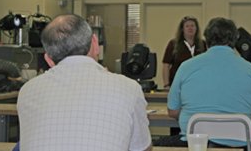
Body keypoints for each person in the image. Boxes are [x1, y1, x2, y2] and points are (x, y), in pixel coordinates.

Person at [16, 14, 152, 151]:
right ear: (95, 43)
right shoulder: (128, 88)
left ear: (49, 60)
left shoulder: (27, 90)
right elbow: (142, 148)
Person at [155, 17, 251, 150]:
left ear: (206, 41)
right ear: (234, 41)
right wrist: (250, 115)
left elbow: (173, 112)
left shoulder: (186, 67)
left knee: (154, 144)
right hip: (241, 146)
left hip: (197, 146)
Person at [162, 16, 206, 90]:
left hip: (198, 83)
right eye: (187, 26)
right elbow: (166, 65)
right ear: (182, 29)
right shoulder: (173, 44)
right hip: (178, 84)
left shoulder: (203, 44)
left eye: (192, 26)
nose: (190, 28)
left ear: (196, 28)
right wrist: (166, 85)